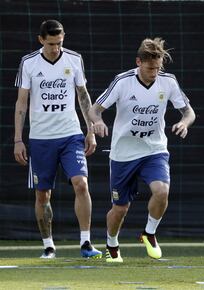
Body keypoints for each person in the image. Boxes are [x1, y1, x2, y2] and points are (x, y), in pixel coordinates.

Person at [89, 37, 196, 263]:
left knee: (162, 191)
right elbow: (94, 110)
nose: (154, 73)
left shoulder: (168, 82)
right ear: (139, 62)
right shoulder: (122, 82)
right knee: (120, 209)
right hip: (123, 154)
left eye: (158, 68)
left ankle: (149, 233)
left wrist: (185, 123)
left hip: (154, 150)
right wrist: (97, 121)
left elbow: (189, 112)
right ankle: (111, 244)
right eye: (150, 68)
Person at [14, 19, 102, 259]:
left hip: (70, 134)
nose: (56, 48)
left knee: (81, 184)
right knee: (43, 194)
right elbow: (22, 102)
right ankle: (48, 246)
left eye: (59, 43)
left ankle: (86, 243)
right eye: (51, 43)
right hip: (41, 138)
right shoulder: (29, 63)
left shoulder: (73, 59)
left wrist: (90, 130)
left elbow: (83, 96)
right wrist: (18, 139)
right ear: (41, 39)